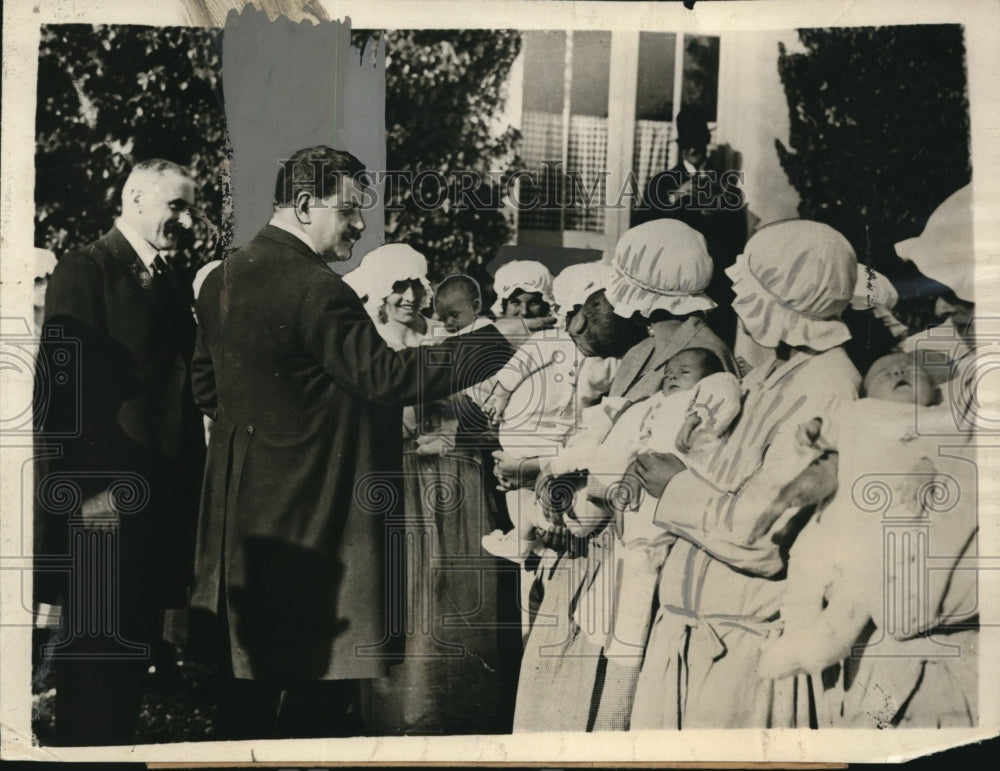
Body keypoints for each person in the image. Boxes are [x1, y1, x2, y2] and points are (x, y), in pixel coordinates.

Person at [189, 146, 514, 738]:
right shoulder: (319, 289)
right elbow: (384, 378)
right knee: (316, 690)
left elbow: (205, 387)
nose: (361, 226)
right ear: (307, 204)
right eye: (349, 211)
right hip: (318, 512)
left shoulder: (222, 279)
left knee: (251, 688)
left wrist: (283, 427)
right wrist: (490, 346)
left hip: (243, 519)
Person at [627, 219, 861, 730]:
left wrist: (675, 486)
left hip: (743, 654)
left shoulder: (828, 388)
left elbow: (763, 536)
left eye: (751, 292)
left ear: (783, 298)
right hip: (698, 633)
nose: (740, 305)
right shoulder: (775, 374)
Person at [511, 220, 737, 733]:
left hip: (636, 543)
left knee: (608, 688)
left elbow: (688, 456)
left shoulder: (705, 356)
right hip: (594, 537)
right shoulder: (642, 348)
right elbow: (606, 430)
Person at [34, 158, 207, 745]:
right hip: (103, 506)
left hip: (156, 505)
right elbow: (61, 394)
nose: (187, 220)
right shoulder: (87, 268)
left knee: (129, 661)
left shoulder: (172, 279)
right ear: (135, 199)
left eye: (191, 207)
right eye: (176, 205)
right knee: (94, 671)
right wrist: (84, 495)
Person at [543, 348, 741, 665]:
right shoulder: (653, 404)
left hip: (677, 480)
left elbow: (725, 390)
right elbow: (622, 443)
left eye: (685, 371)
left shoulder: (707, 393)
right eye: (670, 370)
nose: (673, 375)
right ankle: (603, 625)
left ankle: (628, 644)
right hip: (639, 483)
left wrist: (694, 419)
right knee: (625, 554)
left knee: (643, 559)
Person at [479, 262, 620, 565]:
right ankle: (523, 536)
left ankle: (527, 537)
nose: (524, 312)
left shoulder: (603, 355)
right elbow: (516, 369)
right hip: (529, 431)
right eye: (514, 303)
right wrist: (501, 395)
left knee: (532, 489)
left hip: (561, 439)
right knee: (517, 487)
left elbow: (608, 396)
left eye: (533, 303)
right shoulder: (547, 341)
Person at [632, 108, 747, 348]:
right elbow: (641, 227)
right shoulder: (662, 183)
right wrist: (675, 198)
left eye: (696, 143)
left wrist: (717, 212)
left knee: (713, 351)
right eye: (686, 144)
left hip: (715, 287)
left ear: (705, 143)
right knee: (674, 351)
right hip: (674, 287)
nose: (691, 150)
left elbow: (738, 240)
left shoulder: (727, 185)